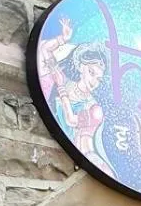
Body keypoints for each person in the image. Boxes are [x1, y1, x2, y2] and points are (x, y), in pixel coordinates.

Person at [36, 14, 109, 163]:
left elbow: (71, 120)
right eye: (91, 72)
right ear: (82, 67)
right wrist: (62, 38)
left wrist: (61, 87)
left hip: (83, 157)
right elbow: (44, 51)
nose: (94, 81)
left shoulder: (92, 106)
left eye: (98, 79)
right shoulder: (63, 78)